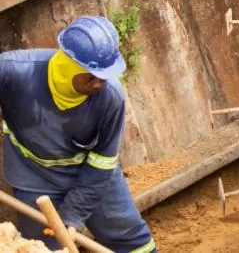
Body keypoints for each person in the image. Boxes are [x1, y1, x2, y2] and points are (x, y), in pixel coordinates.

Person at [0, 16, 157, 253]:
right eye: (91, 76)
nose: (98, 84)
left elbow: (101, 164)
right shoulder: (14, 72)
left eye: (103, 76)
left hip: (90, 174)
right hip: (32, 175)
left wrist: (72, 215)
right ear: (68, 67)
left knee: (130, 238)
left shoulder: (110, 98)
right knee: (42, 246)